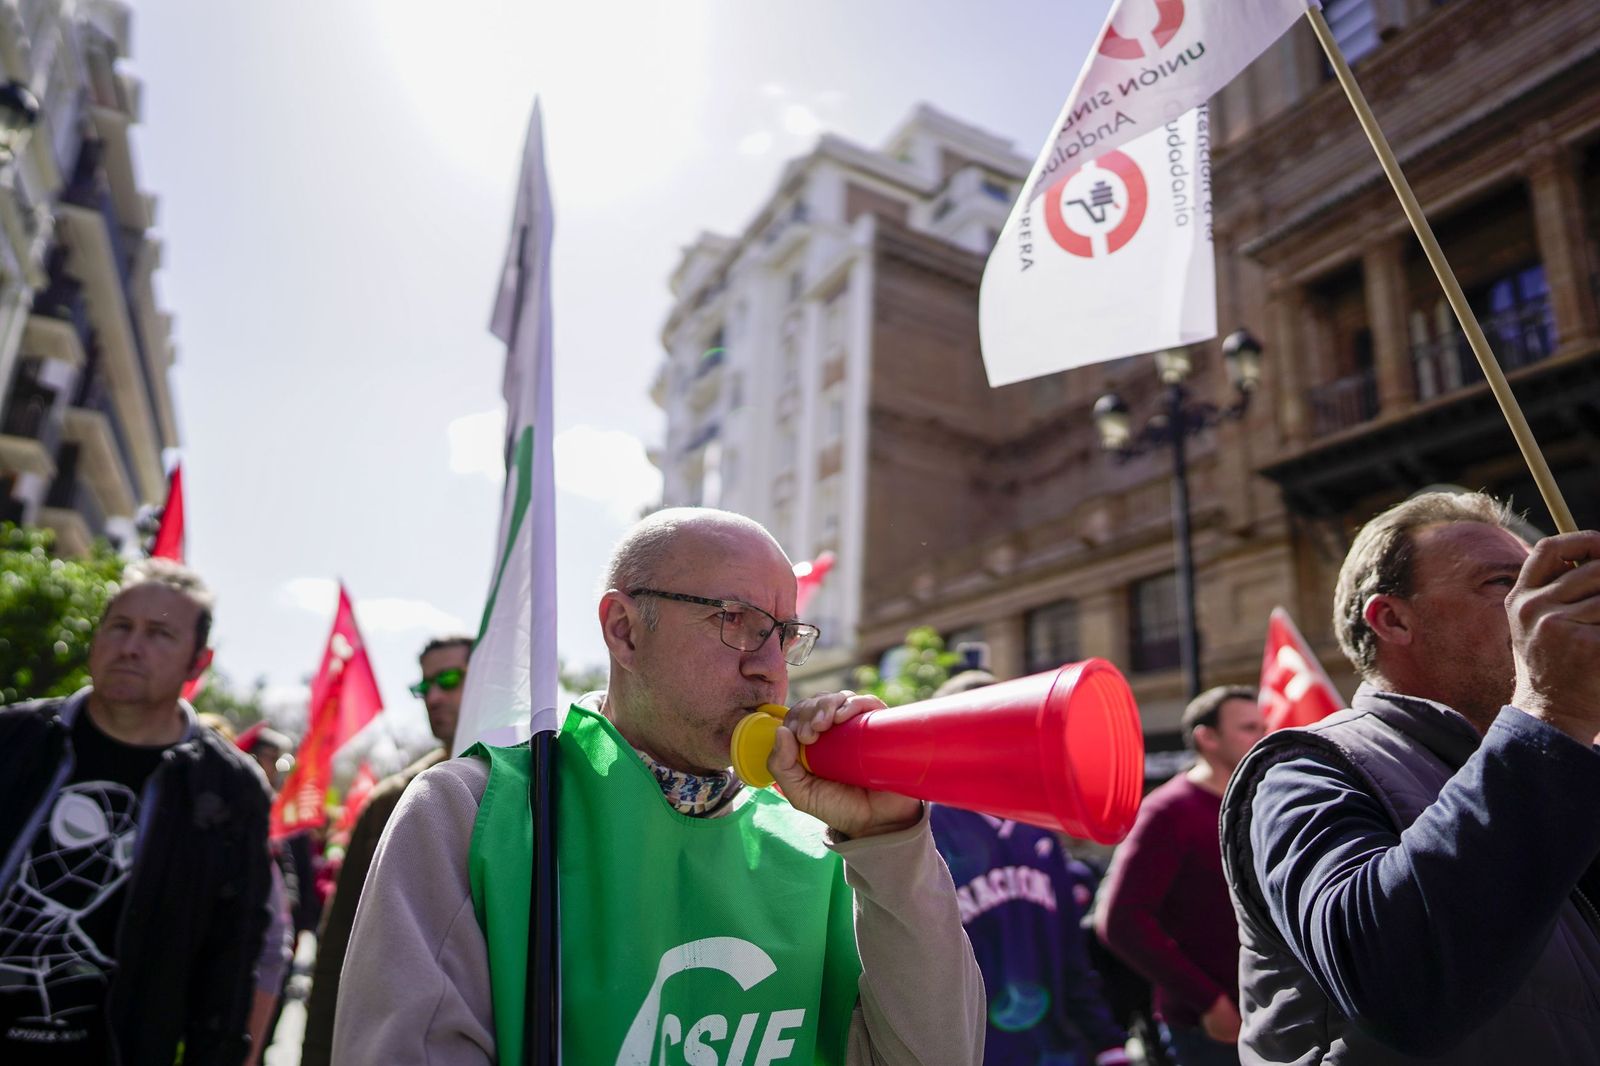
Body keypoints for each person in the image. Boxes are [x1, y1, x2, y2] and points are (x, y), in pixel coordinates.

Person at [335, 507, 984, 1064]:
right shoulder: (472, 814)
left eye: (784, 638)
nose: (769, 669)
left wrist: (889, 842)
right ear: (623, 630)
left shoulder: (822, 851)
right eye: (737, 620)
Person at [1220, 491, 1600, 1062]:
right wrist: (1549, 711)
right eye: (1502, 582)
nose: (1535, 602)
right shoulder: (1306, 768)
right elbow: (1399, 986)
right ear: (1393, 619)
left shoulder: (1560, 762)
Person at [0, 558, 273, 1065]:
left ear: (198, 661)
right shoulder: (13, 740)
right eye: (120, 626)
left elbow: (231, 958)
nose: (131, 646)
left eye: (159, 634)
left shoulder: (228, 789)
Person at [929, 669, 1129, 1066]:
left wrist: (1105, 1038)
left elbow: (1070, 949)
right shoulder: (920, 825)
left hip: (1053, 1048)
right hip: (965, 1050)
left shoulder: (1036, 825)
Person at [299, 633, 473, 1066]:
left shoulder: (543, 788)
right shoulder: (391, 803)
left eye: (450, 679)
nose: (433, 696)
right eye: (424, 686)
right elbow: (340, 948)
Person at [1096, 685, 1264, 1066]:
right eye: (1248, 727)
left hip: (1275, 1013)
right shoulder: (1167, 811)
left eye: (1262, 725)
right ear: (1208, 738)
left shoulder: (1261, 802)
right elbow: (1121, 921)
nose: (1263, 735)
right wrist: (1208, 1001)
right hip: (1211, 1029)